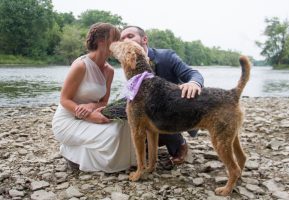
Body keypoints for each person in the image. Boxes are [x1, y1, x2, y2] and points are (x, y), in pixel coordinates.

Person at [52, 23, 136, 172]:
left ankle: (123, 162)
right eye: (115, 39)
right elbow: (64, 99)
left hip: (90, 113)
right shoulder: (81, 65)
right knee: (111, 135)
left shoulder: (109, 71)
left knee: (123, 126)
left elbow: (104, 101)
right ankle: (71, 154)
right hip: (67, 120)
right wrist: (89, 116)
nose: (119, 43)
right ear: (101, 41)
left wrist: (91, 107)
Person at [120, 26, 204, 169]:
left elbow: (193, 73)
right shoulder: (127, 58)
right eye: (122, 39)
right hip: (144, 107)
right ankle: (145, 150)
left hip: (171, 111)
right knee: (123, 113)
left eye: (130, 36)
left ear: (144, 39)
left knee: (159, 111)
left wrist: (193, 83)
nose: (125, 41)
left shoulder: (166, 56)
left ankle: (179, 145)